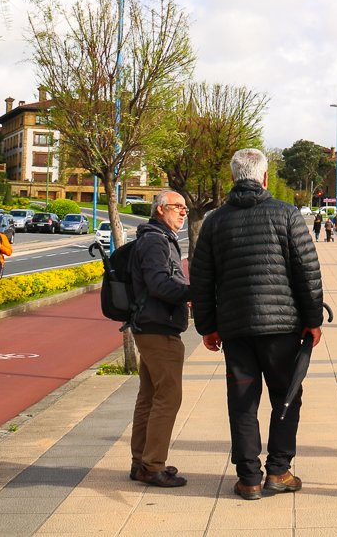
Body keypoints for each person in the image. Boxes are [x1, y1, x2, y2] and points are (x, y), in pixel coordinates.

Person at [191, 148, 324, 501]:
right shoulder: (287, 214)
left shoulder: (215, 221)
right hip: (282, 328)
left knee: (242, 402)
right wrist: (312, 320)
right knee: (286, 396)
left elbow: (201, 278)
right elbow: (307, 271)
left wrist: (206, 325)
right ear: (264, 178)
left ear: (233, 177)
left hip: (236, 329)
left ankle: (249, 477)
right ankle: (279, 470)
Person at [128, 190, 192, 488]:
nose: (183, 212)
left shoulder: (156, 237)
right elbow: (158, 284)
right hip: (158, 327)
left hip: (150, 324)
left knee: (149, 396)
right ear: (160, 210)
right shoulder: (156, 240)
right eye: (177, 207)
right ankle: (153, 466)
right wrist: (192, 292)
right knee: (168, 397)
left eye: (185, 208)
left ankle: (141, 462)